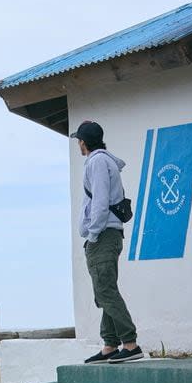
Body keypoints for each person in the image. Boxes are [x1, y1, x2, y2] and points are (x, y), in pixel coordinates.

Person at [72, 121, 143, 364]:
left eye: (79, 141)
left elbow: (100, 202)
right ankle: (110, 345)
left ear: (83, 142)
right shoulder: (101, 161)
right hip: (105, 235)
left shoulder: (97, 162)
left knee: (105, 290)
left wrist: (92, 234)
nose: (78, 145)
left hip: (103, 235)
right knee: (104, 290)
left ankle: (130, 343)